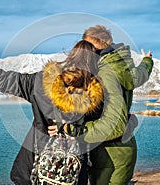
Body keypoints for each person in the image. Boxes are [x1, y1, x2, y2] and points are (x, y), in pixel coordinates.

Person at [0, 25, 105, 185]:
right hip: (71, 172)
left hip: (33, 166)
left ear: (70, 57)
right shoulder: (97, 97)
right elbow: (107, 127)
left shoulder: (39, 82)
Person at [48, 25, 153, 184]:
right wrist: (147, 61)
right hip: (121, 149)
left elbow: (114, 124)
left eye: (86, 47)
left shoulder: (105, 72)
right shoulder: (121, 65)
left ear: (95, 46)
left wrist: (71, 129)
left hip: (110, 154)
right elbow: (140, 75)